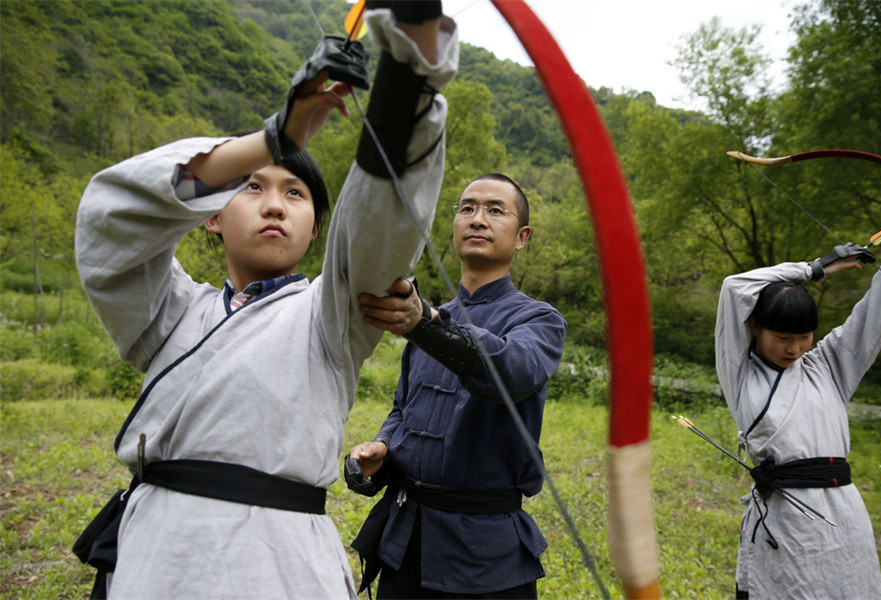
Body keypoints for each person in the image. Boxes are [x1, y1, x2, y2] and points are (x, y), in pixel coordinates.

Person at [72, 4, 458, 598]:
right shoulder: (171, 312)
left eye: (296, 193)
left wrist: (409, 52)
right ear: (211, 217)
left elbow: (378, 224)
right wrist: (277, 137)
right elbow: (109, 220)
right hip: (154, 556)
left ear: (316, 229)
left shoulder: (330, 318)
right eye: (252, 186)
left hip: (275, 564)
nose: (275, 204)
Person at [344, 173, 567, 598]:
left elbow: (511, 371)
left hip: (485, 554)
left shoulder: (539, 320)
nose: (477, 218)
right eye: (467, 208)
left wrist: (424, 324)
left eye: (494, 210)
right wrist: (382, 448)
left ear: (522, 237)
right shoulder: (427, 319)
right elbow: (402, 409)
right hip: (406, 539)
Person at [715, 243, 881, 599]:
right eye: (783, 338)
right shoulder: (741, 375)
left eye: (803, 338)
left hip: (845, 518)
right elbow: (734, 288)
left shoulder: (828, 367)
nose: (794, 349)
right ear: (754, 326)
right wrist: (815, 269)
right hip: (786, 521)